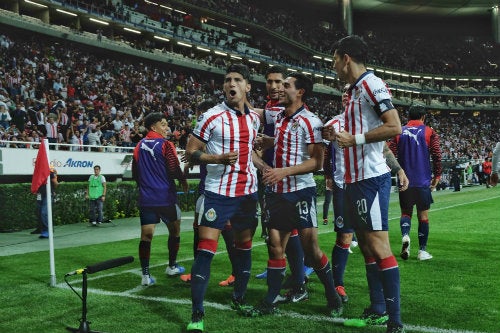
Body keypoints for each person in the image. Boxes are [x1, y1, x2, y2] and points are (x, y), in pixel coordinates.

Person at [242, 72, 343, 318]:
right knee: (275, 247)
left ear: (300, 92)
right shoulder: (276, 114)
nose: (279, 88)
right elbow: (250, 111)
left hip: (300, 192)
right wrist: (239, 86)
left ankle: (333, 295)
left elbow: (317, 162)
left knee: (311, 248)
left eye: (285, 85)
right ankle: (269, 300)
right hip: (276, 192)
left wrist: (282, 172)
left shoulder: (312, 122)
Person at [327, 35, 404, 333]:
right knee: (369, 249)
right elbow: (358, 128)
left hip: (370, 178)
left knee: (378, 246)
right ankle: (377, 310)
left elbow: (394, 125)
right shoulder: (353, 90)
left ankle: (394, 322)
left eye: (334, 59)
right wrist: (336, 131)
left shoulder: (371, 84)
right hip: (354, 180)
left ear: (346, 58)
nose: (333, 66)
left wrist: (354, 139)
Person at [184, 64, 265, 333]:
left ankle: (239, 298)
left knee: (244, 248)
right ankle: (197, 314)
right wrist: (215, 158)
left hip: (247, 194)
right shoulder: (211, 116)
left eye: (237, 80)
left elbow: (250, 152)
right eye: (227, 80)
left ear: (247, 86)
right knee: (206, 250)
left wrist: (265, 168)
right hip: (218, 193)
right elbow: (191, 151)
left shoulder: (254, 118)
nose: (231, 83)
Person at [254, 65, 313, 300]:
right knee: (277, 234)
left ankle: (300, 279)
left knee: (291, 234)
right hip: (270, 177)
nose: (275, 86)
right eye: (270, 82)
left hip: (288, 180)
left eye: (280, 82)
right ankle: (291, 276)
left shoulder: (292, 111)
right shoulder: (271, 109)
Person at [179, 100, 236, 288]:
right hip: (207, 189)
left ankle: (234, 272)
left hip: (216, 190)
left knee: (220, 233)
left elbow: (200, 152)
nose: (199, 119)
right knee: (202, 229)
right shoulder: (209, 135)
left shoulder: (212, 133)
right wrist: (189, 164)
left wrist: (192, 158)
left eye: (200, 115)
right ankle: (203, 272)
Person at [132, 112, 188, 287]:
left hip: (147, 198)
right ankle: (171, 266)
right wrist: (183, 180)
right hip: (165, 197)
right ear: (153, 127)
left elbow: (135, 172)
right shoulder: (166, 144)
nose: (167, 128)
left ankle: (145, 276)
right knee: (175, 230)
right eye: (163, 125)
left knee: (146, 235)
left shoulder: (139, 145)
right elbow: (173, 167)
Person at [389, 105, 442, 262]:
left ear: (408, 116)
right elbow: (437, 154)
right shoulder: (429, 132)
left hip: (404, 180)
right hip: (422, 180)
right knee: (423, 216)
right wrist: (437, 175)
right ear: (423, 117)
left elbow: (390, 153)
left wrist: (398, 171)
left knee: (406, 213)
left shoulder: (399, 131)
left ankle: (405, 236)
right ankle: (422, 251)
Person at [36, 168, 59, 238]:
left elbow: (56, 183)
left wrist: (52, 190)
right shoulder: (37, 172)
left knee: (44, 213)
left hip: (48, 195)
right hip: (39, 195)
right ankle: (43, 230)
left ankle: (48, 230)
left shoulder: (50, 172)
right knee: (40, 213)